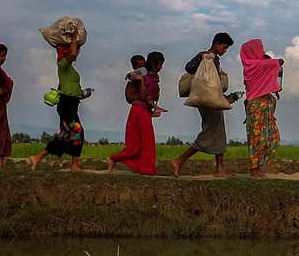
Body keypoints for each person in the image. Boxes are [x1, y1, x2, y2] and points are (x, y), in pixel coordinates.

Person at [172, 33, 237, 178]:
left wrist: (224, 97)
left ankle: (220, 168)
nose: (225, 51)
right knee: (209, 132)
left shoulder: (216, 60)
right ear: (217, 44)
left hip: (213, 100)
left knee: (219, 131)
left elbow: (213, 85)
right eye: (224, 47)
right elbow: (189, 68)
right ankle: (179, 160)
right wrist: (200, 57)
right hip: (207, 101)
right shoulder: (206, 56)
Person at [28, 41, 91, 172]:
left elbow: (68, 88)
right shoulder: (62, 64)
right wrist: (74, 38)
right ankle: (74, 165)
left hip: (71, 103)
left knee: (66, 135)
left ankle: (37, 158)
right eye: (75, 50)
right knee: (77, 131)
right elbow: (73, 54)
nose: (77, 52)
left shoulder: (70, 70)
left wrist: (83, 93)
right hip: (66, 105)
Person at [108, 51, 166, 174]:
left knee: (142, 142)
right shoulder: (141, 75)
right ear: (155, 64)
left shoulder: (153, 76)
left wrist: (153, 110)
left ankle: (117, 159)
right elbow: (134, 90)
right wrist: (140, 79)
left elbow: (151, 96)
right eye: (160, 64)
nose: (161, 67)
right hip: (138, 110)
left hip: (143, 110)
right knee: (145, 141)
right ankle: (146, 169)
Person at [241, 39, 284, 177]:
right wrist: (269, 61)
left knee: (267, 138)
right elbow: (279, 62)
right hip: (258, 106)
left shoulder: (253, 65)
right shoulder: (254, 65)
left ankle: (258, 166)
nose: (263, 51)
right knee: (257, 138)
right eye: (260, 49)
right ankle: (254, 169)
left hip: (262, 106)